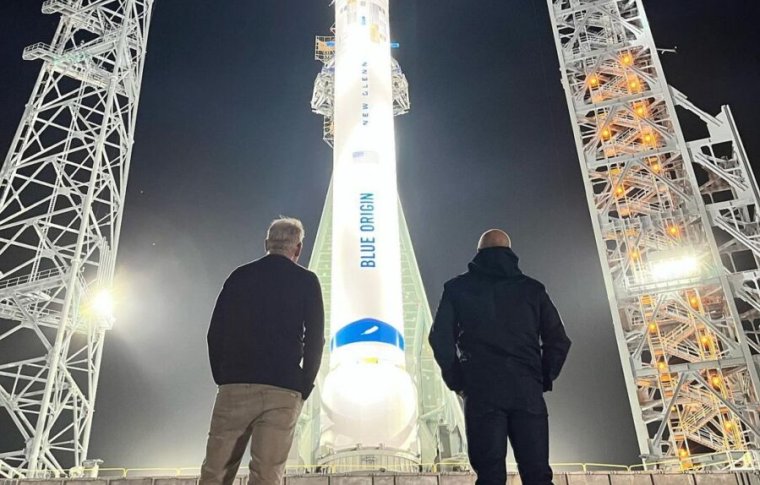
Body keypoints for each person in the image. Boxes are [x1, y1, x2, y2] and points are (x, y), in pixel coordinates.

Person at [429, 229, 571, 485]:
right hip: (526, 391)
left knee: (490, 476)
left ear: (478, 253)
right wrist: (542, 378)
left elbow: (440, 339)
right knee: (537, 474)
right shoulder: (533, 290)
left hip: (481, 391)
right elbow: (559, 340)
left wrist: (459, 381)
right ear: (510, 253)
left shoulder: (456, 289)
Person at [200, 217, 325, 485]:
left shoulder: (239, 276)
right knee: (268, 475)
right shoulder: (306, 281)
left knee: (215, 472)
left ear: (267, 243)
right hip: (283, 390)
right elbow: (316, 338)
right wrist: (304, 384)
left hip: (235, 387)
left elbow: (215, 333)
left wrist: (223, 377)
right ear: (298, 248)